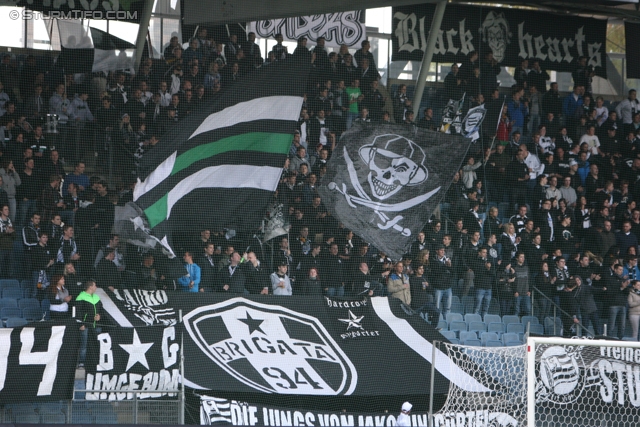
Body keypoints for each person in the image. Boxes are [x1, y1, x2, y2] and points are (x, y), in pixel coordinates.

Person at [76, 279, 102, 367]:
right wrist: (81, 324)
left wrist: (99, 316)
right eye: (95, 285)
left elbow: (101, 309)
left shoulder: (96, 297)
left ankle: (94, 361)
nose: (96, 287)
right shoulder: (81, 297)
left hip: (96, 325)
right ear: (90, 287)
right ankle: (81, 362)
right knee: (84, 345)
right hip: (86, 325)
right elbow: (78, 312)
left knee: (95, 344)